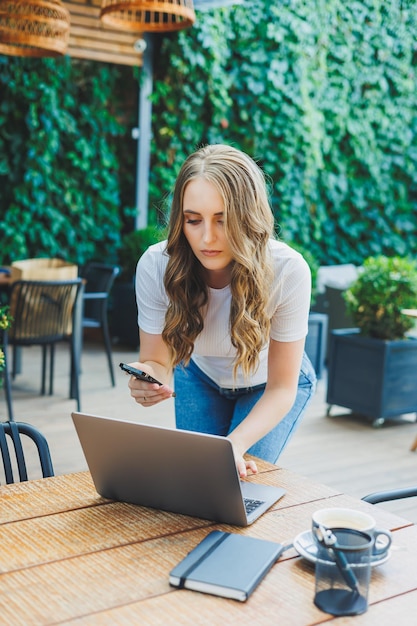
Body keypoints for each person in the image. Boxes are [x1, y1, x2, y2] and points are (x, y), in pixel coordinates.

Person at [127, 144, 316, 477]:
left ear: (248, 216)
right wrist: (150, 380)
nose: (207, 238)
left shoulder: (288, 271)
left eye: (223, 219)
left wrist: (235, 443)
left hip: (268, 385)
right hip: (198, 374)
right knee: (198, 480)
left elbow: (282, 388)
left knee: (238, 485)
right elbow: (157, 361)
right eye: (193, 220)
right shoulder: (156, 266)